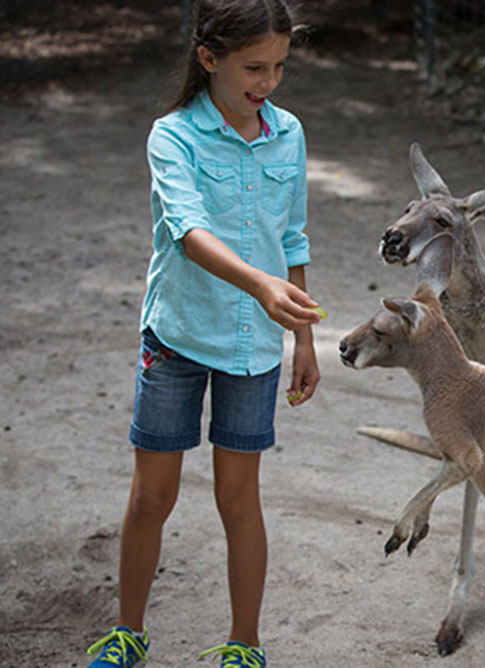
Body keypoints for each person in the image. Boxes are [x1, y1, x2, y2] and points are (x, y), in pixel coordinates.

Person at [84, 2, 319, 666]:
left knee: (239, 498)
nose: (268, 81)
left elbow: (293, 232)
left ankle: (244, 646)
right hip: (177, 338)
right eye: (253, 67)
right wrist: (262, 285)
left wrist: (303, 335)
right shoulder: (172, 137)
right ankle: (129, 632)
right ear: (208, 58)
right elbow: (187, 234)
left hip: (254, 347)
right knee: (149, 497)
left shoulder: (288, 134)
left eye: (279, 66)